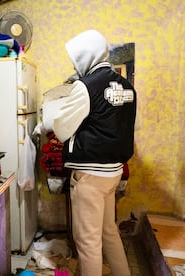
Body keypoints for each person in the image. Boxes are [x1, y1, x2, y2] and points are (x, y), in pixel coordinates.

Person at [53, 30, 136, 276]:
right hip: (113, 172)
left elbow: (60, 129)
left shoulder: (86, 86)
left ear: (86, 56)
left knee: (88, 242)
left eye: (76, 57)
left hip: (90, 176)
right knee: (108, 230)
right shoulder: (126, 86)